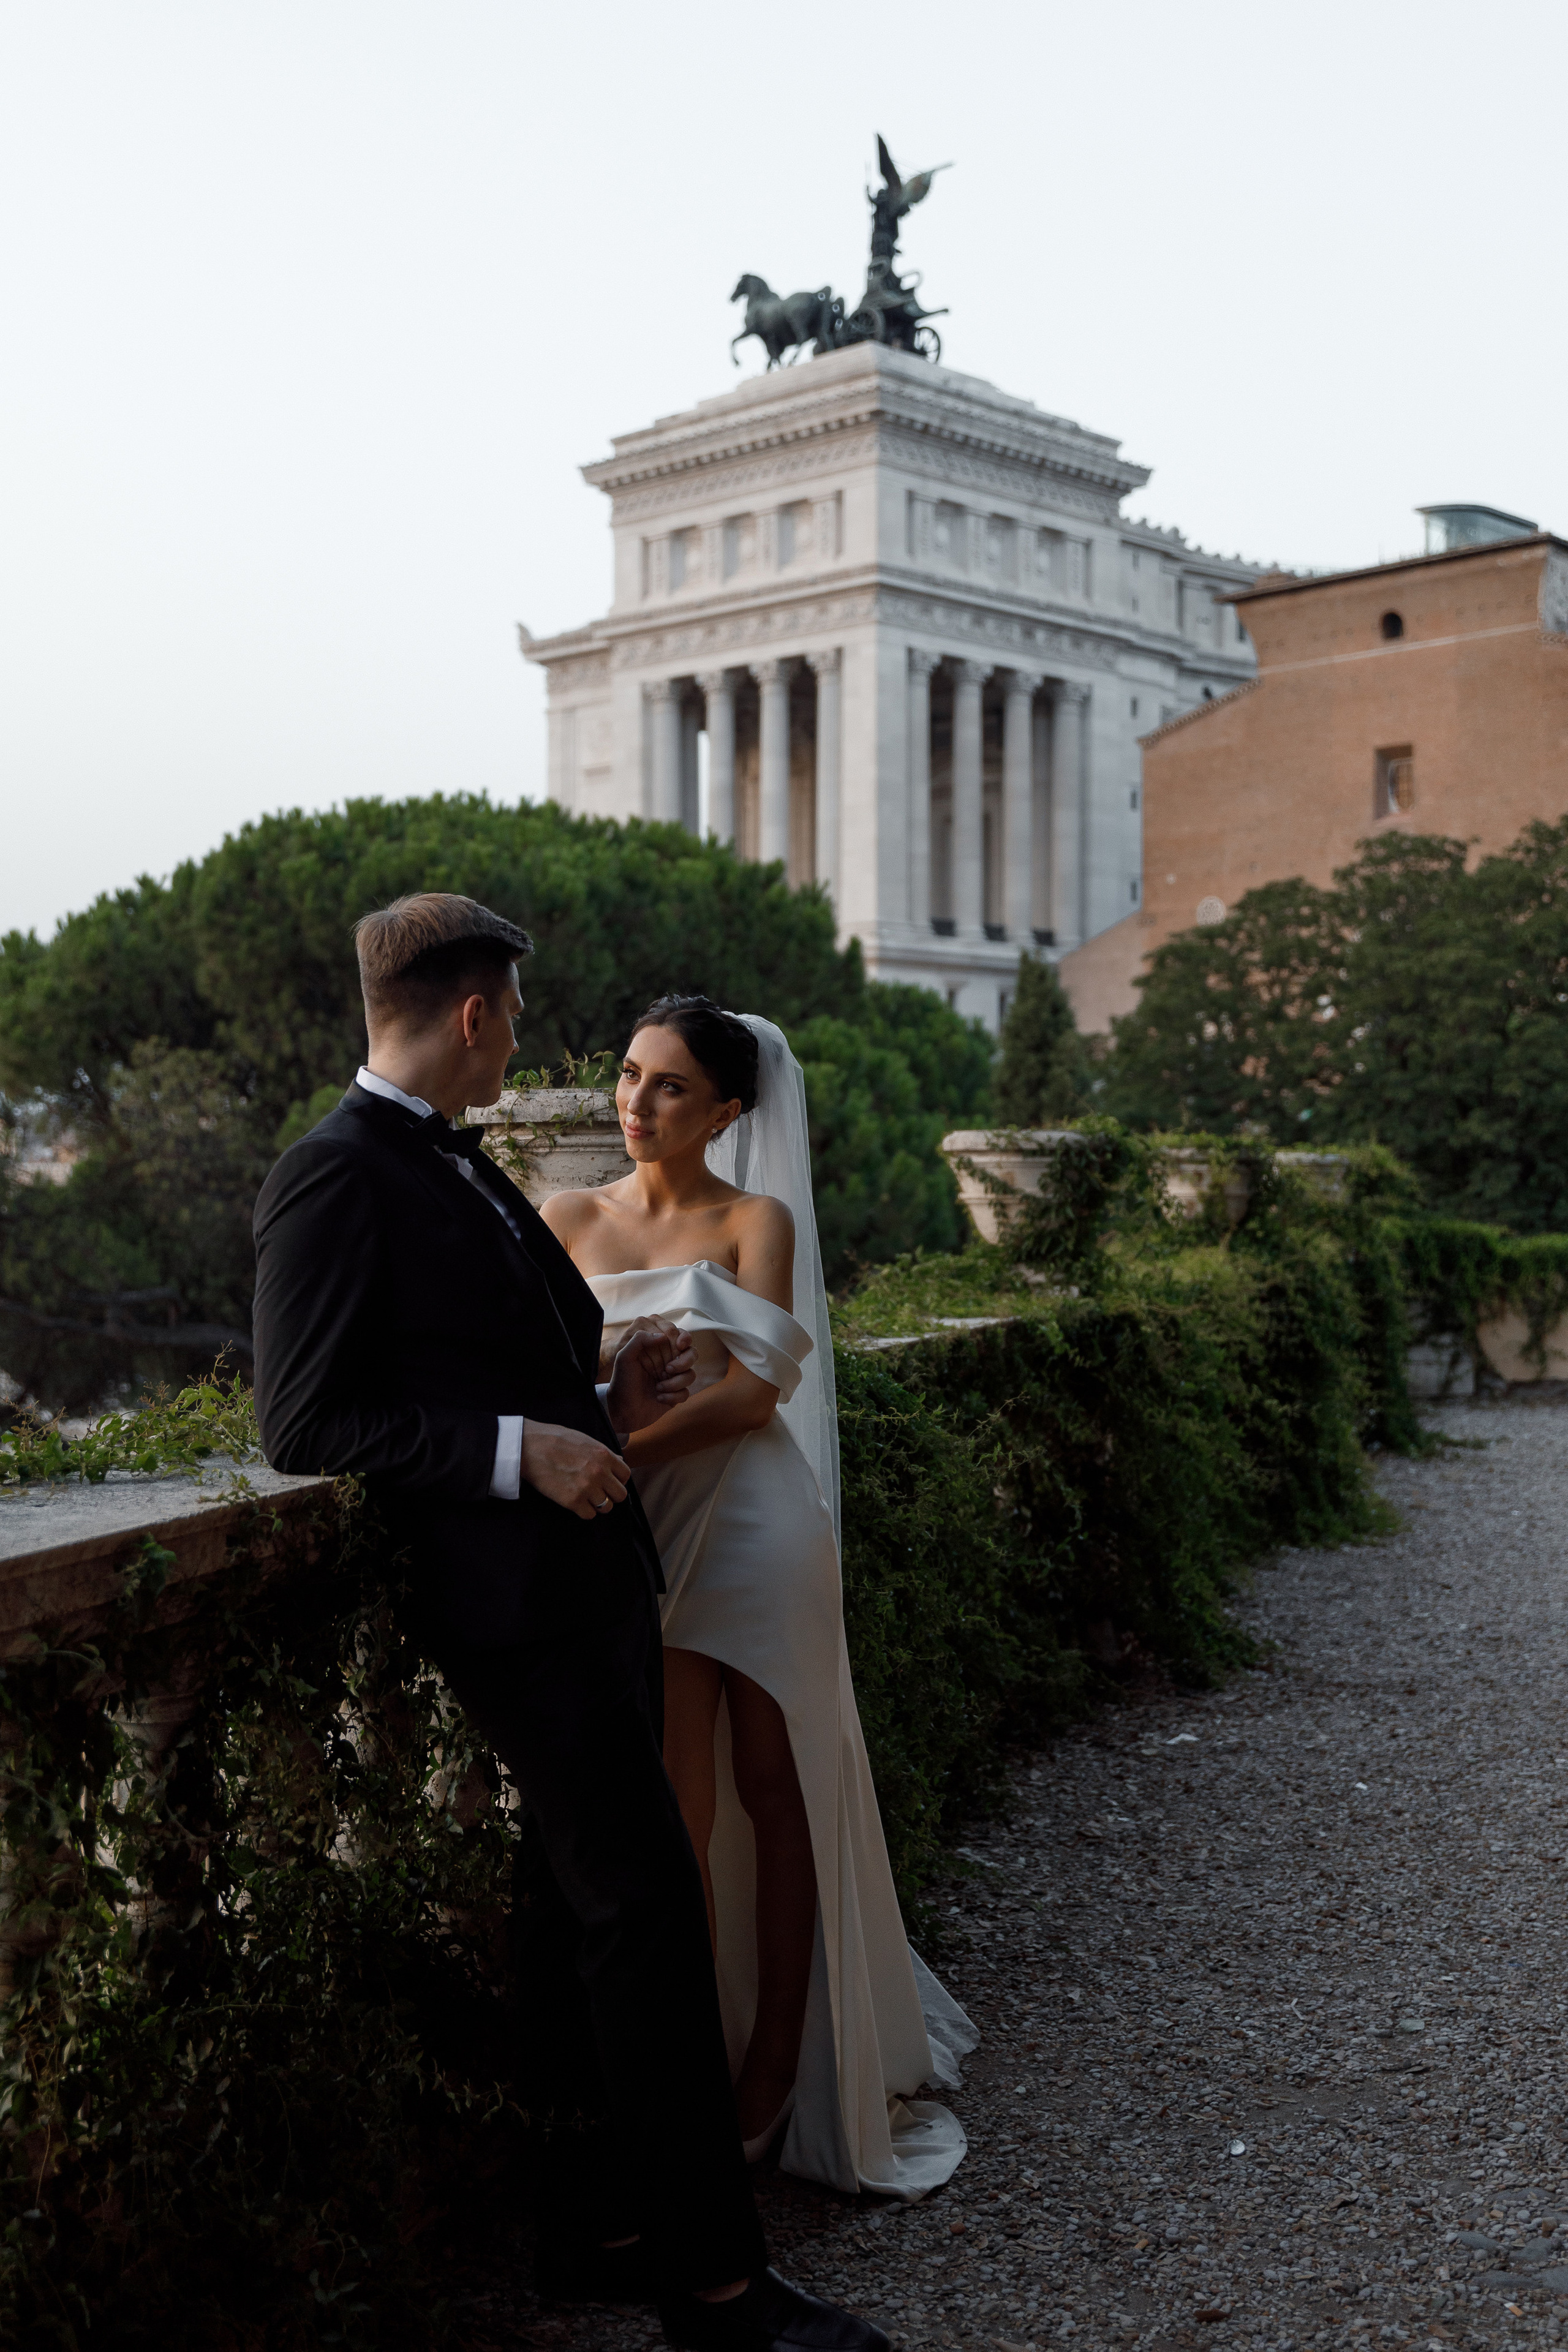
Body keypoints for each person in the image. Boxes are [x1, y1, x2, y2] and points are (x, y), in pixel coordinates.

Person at [251, 896, 888, 2352]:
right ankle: (718, 2294)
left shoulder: (459, 1163)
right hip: (512, 1608)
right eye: (518, 1020)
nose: (526, 1047)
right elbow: (302, 1419)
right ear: (475, 1015)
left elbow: (497, 1365)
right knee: (646, 1918)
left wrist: (603, 1403)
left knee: (570, 1922)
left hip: (588, 1587)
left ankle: (588, 2231)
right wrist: (515, 1452)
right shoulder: (334, 1171)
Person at [541, 996, 977, 2200]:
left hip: (753, 1521)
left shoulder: (755, 1220)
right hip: (643, 1534)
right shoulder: (566, 1217)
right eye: (629, 1075)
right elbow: (540, 1374)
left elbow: (751, 1397)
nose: (636, 1102)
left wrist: (615, 1455)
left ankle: (780, 2066)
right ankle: (687, 2074)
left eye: (670, 1086)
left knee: (781, 1786)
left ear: (728, 1111)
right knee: (676, 1810)